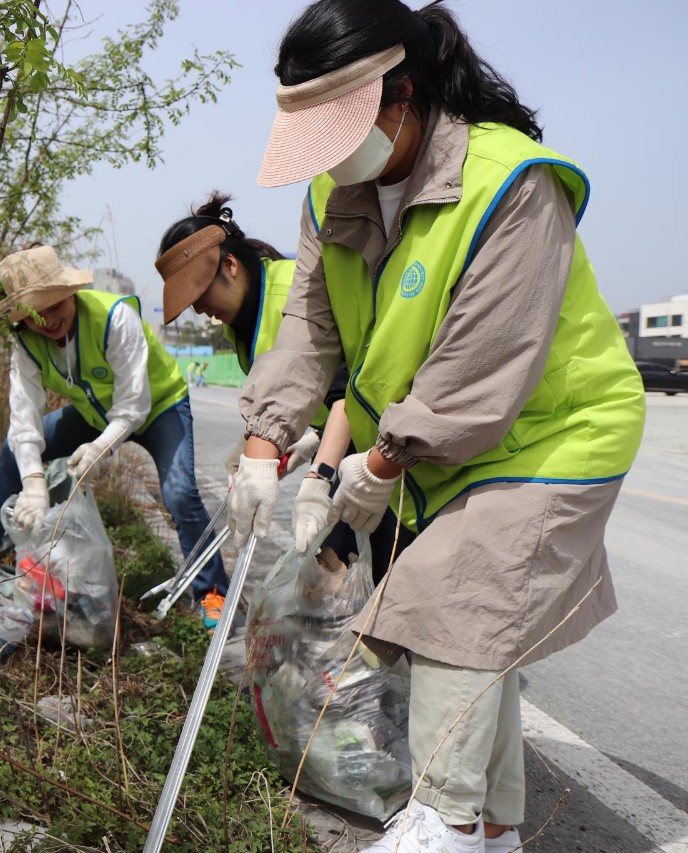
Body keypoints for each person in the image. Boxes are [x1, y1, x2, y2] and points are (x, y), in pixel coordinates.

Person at [231, 2, 645, 851]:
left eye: (341, 133)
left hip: (551, 435)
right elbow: (310, 329)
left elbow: (479, 366)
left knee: (444, 600)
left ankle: (441, 822)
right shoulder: (332, 196)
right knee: (475, 637)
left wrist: (380, 464)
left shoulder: (512, 184)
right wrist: (263, 443)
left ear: (403, 98)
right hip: (449, 455)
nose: (333, 161)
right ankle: (491, 830)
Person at [0, 244, 232, 630]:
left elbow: (133, 407)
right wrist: (33, 483)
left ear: (70, 293)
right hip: (95, 414)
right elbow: (24, 419)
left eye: (55, 305)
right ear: (20, 317)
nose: (48, 321)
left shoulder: (115, 318)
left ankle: (212, 594)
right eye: (35, 314)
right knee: (17, 448)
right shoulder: (25, 344)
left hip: (157, 407)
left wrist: (100, 447)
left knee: (179, 491)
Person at [155, 193, 413, 579]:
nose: (199, 309)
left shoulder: (293, 295)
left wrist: (317, 480)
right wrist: (267, 448)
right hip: (345, 438)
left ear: (229, 265)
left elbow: (345, 394)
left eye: (199, 294)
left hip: (384, 439)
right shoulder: (239, 319)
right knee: (351, 559)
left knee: (389, 550)